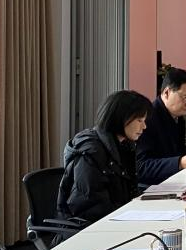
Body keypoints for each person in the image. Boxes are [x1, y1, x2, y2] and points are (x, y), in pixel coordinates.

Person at [57, 89, 151, 222]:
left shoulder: (124, 146)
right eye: (139, 120)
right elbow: (90, 207)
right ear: (121, 118)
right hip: (92, 227)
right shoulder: (91, 151)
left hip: (118, 218)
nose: (144, 126)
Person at [135, 68, 186, 185]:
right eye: (185, 98)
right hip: (152, 187)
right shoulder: (146, 119)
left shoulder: (179, 117)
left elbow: (180, 150)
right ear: (167, 92)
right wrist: (179, 163)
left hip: (173, 180)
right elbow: (140, 167)